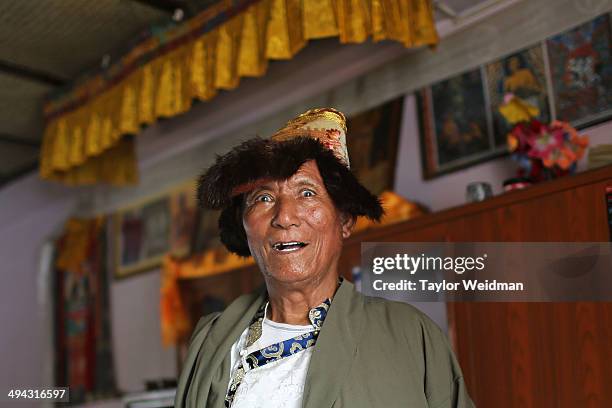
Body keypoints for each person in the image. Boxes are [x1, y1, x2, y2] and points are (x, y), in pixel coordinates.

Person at [175, 108, 474, 408]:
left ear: (344, 220)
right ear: (243, 224)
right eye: (263, 198)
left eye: (306, 193)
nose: (284, 217)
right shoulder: (212, 343)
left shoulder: (410, 334)